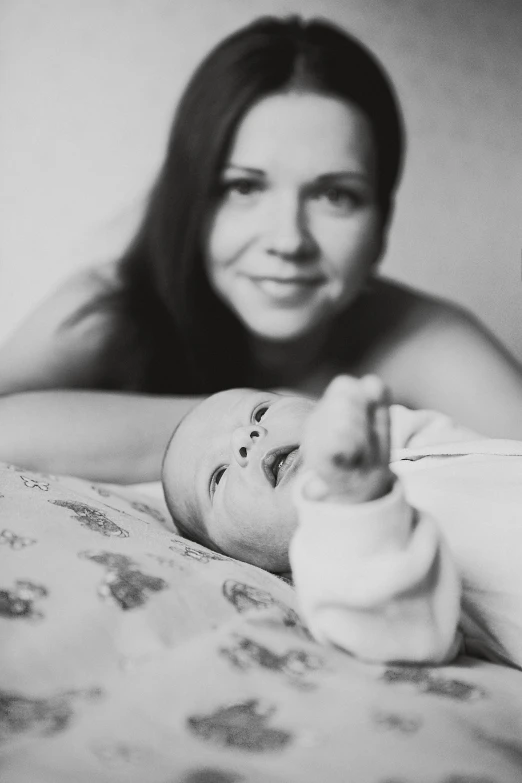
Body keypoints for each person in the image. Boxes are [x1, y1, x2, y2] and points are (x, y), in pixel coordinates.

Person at [1, 15, 522, 485]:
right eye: (244, 188)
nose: (288, 240)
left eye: (335, 195)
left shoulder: (420, 338)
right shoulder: (110, 308)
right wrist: (285, 420)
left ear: (381, 225)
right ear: (189, 204)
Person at [161, 376, 522, 669]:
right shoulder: (336, 573)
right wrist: (353, 502)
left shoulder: (404, 442)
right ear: (241, 558)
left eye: (260, 412)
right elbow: (393, 627)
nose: (246, 437)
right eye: (218, 477)